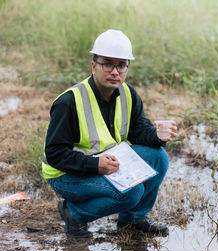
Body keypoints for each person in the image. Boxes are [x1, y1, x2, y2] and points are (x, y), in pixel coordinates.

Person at [42, 29, 177, 238]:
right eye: (108, 64)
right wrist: (95, 166)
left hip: (107, 162)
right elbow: (55, 153)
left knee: (158, 157)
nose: (115, 71)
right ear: (94, 66)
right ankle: (74, 213)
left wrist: (157, 135)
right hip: (66, 175)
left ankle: (132, 220)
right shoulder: (69, 102)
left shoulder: (128, 93)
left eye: (121, 65)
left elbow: (138, 130)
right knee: (132, 192)